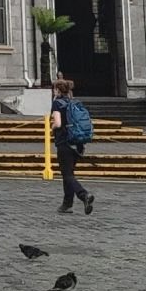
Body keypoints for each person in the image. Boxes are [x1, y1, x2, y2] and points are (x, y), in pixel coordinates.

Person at [49, 78, 95, 216]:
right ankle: (67, 204)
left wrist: (51, 127)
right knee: (69, 173)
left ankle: (84, 195)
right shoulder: (74, 102)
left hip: (65, 142)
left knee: (67, 174)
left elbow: (57, 123)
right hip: (78, 142)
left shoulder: (57, 103)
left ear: (57, 90)